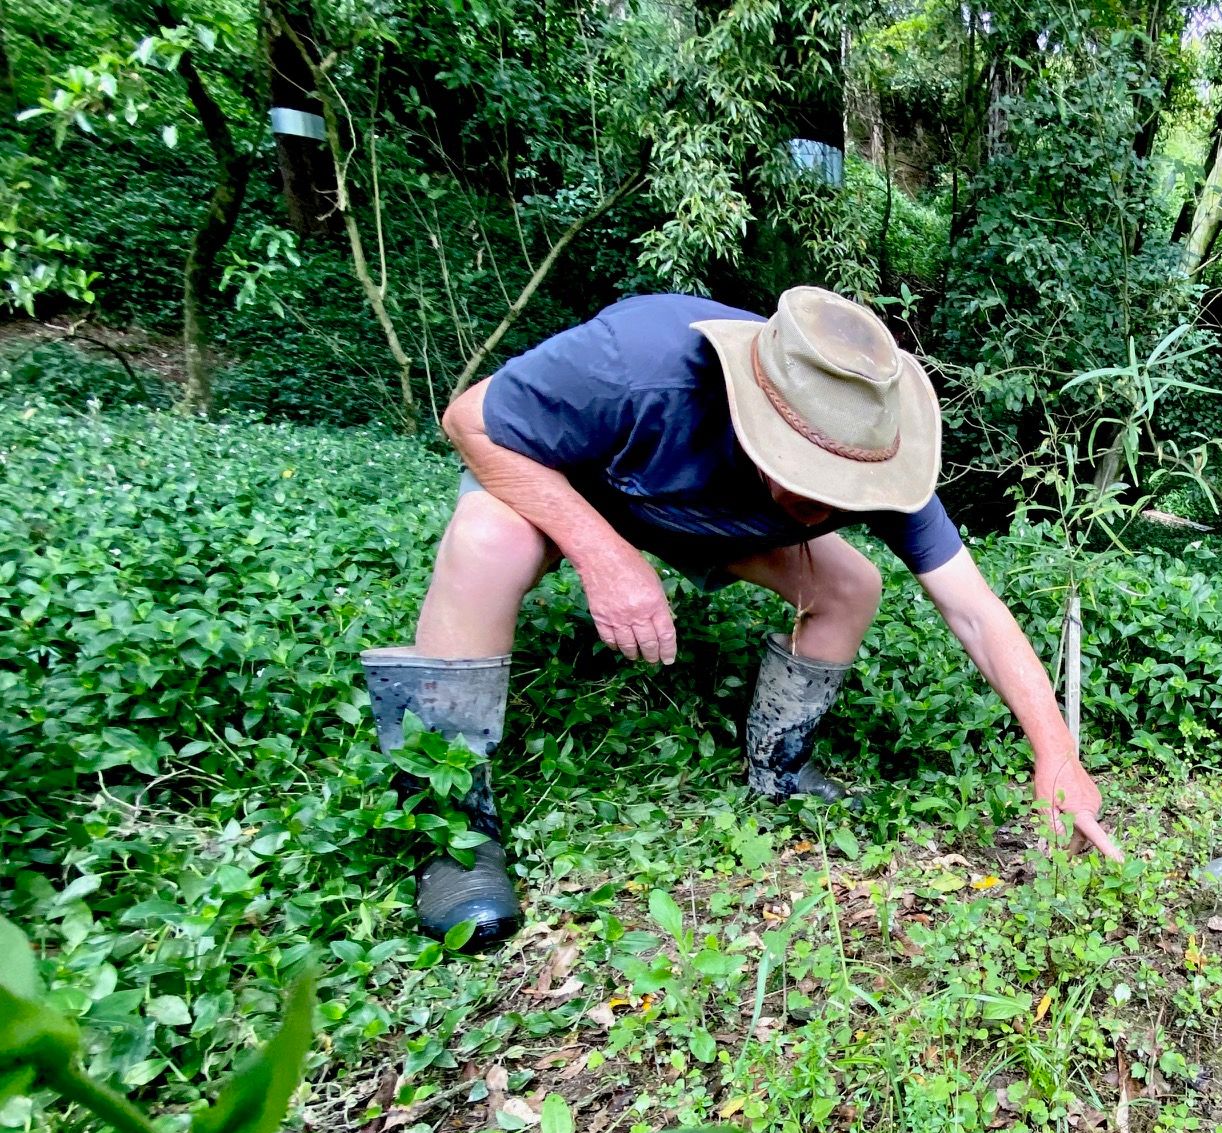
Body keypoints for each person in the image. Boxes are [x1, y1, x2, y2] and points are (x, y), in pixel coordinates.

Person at [361, 286, 1119, 946]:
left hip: (705, 519)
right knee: (488, 540)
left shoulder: (873, 446)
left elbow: (976, 610)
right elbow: (469, 420)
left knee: (851, 585)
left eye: (845, 490)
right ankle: (451, 830)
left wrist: (1055, 751)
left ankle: (780, 770)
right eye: (807, 476)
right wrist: (603, 554)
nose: (828, 505)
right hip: (579, 481)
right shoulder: (637, 361)